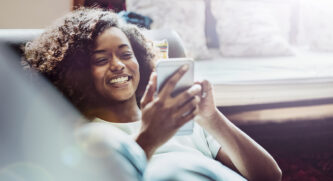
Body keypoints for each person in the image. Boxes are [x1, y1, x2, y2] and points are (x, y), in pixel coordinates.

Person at [24, 8, 282, 181]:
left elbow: (270, 176)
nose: (118, 65)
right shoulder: (85, 134)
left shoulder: (182, 120)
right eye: (101, 59)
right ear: (76, 73)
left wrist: (212, 118)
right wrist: (149, 137)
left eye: (126, 54)